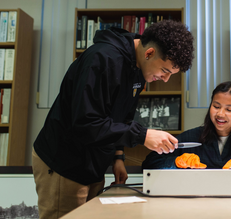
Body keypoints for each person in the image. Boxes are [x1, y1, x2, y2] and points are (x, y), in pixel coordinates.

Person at [32, 19, 194, 218]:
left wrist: (118, 157)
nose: (165, 78)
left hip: (93, 164)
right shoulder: (102, 59)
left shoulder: (138, 68)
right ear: (149, 53)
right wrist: (142, 136)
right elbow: (86, 123)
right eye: (165, 71)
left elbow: (120, 118)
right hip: (64, 162)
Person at [142, 81, 231, 188]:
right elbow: (148, 165)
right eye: (216, 106)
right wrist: (175, 162)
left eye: (229, 109)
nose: (220, 114)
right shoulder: (191, 137)